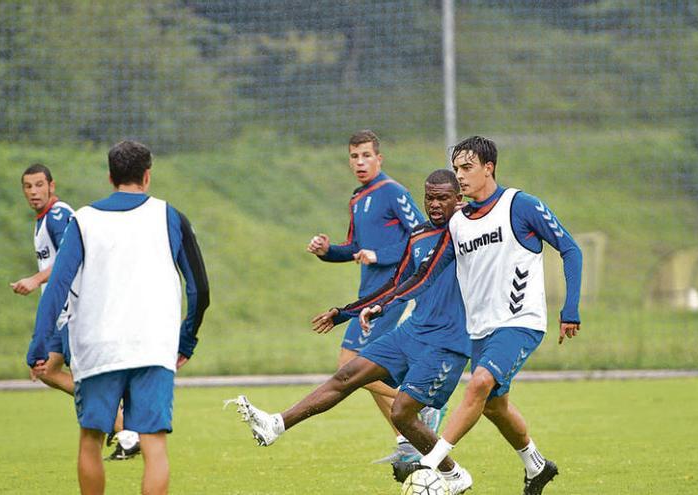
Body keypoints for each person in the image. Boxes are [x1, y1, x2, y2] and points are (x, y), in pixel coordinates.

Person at [361, 136, 582, 495]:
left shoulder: (519, 205)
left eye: (467, 168)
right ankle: (536, 466)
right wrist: (384, 303)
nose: (459, 176)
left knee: (479, 383)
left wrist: (570, 310)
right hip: (481, 330)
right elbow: (426, 274)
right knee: (495, 407)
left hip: (521, 321)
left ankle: (433, 467)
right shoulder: (459, 222)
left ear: (488, 168)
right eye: (456, 169)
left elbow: (570, 249)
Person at [228, 169, 473, 494]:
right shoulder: (419, 235)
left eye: (443, 197)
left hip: (447, 341)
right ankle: (276, 425)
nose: (435, 204)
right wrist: (346, 312)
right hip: (414, 331)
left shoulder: (468, 234)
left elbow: (424, 278)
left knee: (401, 414)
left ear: (460, 199)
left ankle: (454, 476)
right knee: (348, 374)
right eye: (430, 197)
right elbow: (397, 282)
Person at [27, 140, 210, 495]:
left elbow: (57, 288)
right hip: (153, 347)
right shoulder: (170, 216)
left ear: (110, 177)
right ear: (147, 176)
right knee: (154, 445)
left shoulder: (83, 220)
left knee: (91, 439)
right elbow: (199, 289)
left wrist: (38, 343)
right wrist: (187, 338)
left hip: (97, 348)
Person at [305, 130, 442, 462]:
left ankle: (423, 408)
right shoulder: (357, 198)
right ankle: (408, 442)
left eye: (366, 155)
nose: (360, 162)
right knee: (363, 373)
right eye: (354, 156)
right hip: (366, 299)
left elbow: (421, 238)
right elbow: (354, 248)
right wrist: (326, 251)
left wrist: (380, 255)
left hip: (392, 295)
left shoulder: (393, 192)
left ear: (379, 158)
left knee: (351, 368)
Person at [13, 164, 141, 460]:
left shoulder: (59, 217)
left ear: (51, 186)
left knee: (85, 377)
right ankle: (121, 424)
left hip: (75, 311)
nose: (33, 192)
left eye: (38, 185)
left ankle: (125, 429)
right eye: (27, 186)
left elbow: (70, 260)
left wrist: (34, 279)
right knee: (47, 371)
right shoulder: (43, 220)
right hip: (61, 315)